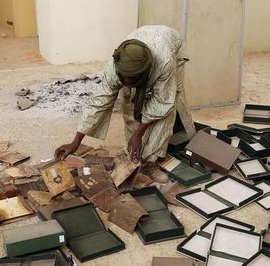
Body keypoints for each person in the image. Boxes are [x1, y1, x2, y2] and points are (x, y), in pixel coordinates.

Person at [55, 25, 195, 177]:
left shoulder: (164, 63)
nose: (128, 81)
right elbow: (99, 102)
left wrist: (139, 134)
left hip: (170, 44)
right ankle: (134, 153)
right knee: (129, 102)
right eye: (125, 77)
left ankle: (150, 162)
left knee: (168, 104)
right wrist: (76, 142)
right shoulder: (115, 68)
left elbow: (161, 103)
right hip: (145, 44)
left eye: (133, 78)